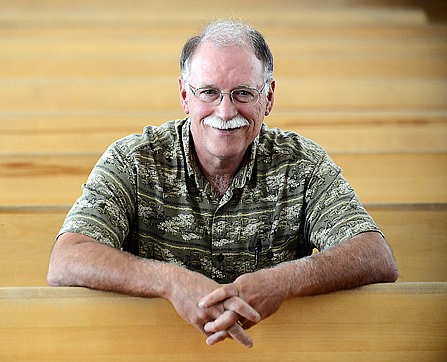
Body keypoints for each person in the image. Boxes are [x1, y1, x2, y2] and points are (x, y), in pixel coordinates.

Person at [47, 19, 398, 347]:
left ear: (269, 97)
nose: (226, 111)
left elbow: (375, 255)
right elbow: (67, 260)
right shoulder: (134, 160)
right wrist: (170, 282)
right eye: (209, 92)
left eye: (243, 93)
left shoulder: (302, 164)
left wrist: (283, 281)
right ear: (185, 96)